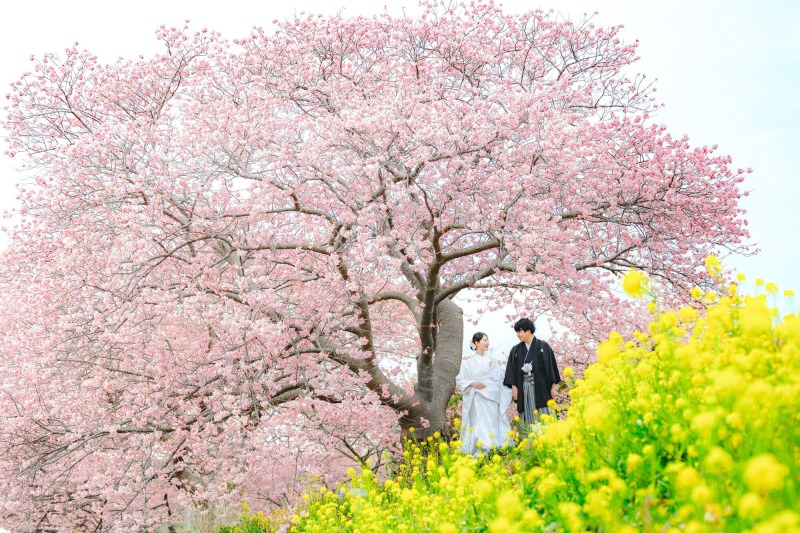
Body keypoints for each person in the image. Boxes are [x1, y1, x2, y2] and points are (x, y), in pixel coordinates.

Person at [455, 332, 512, 454]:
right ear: (476, 342)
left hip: (492, 397)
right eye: (485, 340)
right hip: (478, 398)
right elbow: (460, 379)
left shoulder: (492, 361)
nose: (487, 343)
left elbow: (500, 380)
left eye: (488, 340)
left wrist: (511, 388)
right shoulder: (468, 362)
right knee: (480, 422)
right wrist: (472, 383)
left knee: (492, 422)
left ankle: (494, 449)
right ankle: (482, 450)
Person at [503, 318, 562, 430]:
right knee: (526, 411)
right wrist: (514, 388)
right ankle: (529, 441)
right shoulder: (515, 350)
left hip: (541, 387)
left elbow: (551, 367)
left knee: (543, 411)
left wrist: (553, 387)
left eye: (520, 332)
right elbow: (511, 370)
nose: (518, 335)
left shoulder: (543, 346)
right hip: (524, 387)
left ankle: (547, 439)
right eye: (517, 332)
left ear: (528, 331)